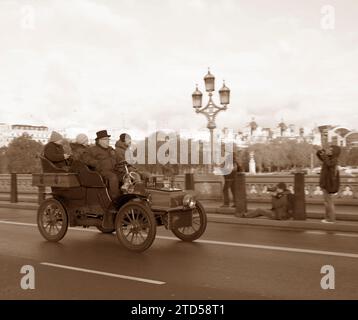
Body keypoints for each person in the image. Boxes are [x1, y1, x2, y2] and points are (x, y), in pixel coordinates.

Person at [82, 130, 119, 200]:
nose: (108, 141)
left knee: (128, 175)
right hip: (101, 172)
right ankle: (114, 200)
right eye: (105, 139)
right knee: (113, 177)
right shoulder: (92, 150)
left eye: (108, 139)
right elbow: (86, 159)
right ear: (99, 141)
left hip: (114, 169)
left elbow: (118, 159)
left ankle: (129, 197)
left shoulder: (111, 149)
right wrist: (97, 163)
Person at [316, 145, 341, 223]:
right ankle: (328, 218)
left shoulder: (334, 160)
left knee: (328, 202)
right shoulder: (329, 158)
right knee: (327, 202)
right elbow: (320, 157)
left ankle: (331, 219)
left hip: (328, 184)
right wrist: (320, 151)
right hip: (325, 183)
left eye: (331, 150)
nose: (329, 151)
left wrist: (324, 154)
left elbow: (329, 164)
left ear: (334, 152)